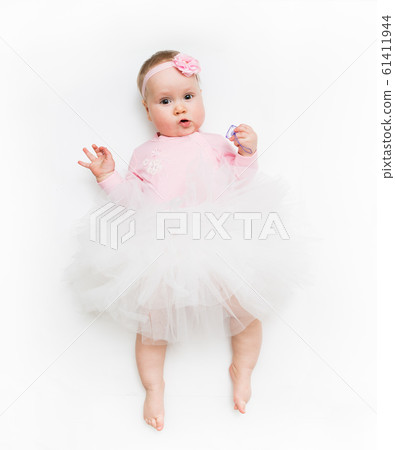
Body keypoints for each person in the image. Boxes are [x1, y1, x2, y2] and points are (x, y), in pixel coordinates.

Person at [64, 50, 312, 431]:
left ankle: (243, 371)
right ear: (148, 112)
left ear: (201, 98)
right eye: (165, 101)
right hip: (162, 245)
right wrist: (108, 176)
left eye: (188, 97)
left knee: (245, 308)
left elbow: (240, 181)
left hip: (219, 238)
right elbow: (133, 200)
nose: (180, 108)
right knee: (152, 323)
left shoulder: (216, 143)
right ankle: (154, 387)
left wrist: (246, 152)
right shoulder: (145, 153)